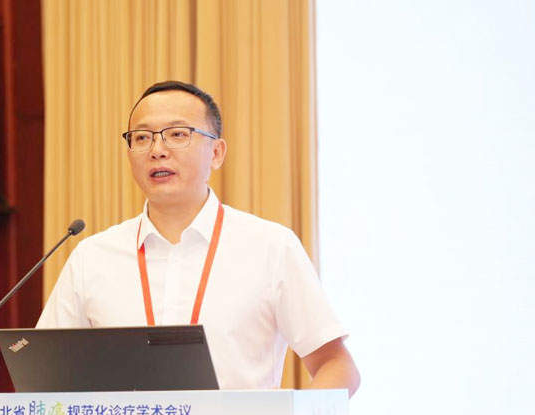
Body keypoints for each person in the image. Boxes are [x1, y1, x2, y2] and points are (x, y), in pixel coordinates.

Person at [37, 81, 360, 396]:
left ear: (216, 153)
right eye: (142, 137)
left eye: (178, 134)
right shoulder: (92, 257)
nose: (157, 150)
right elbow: (45, 376)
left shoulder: (270, 247)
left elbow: (338, 367)